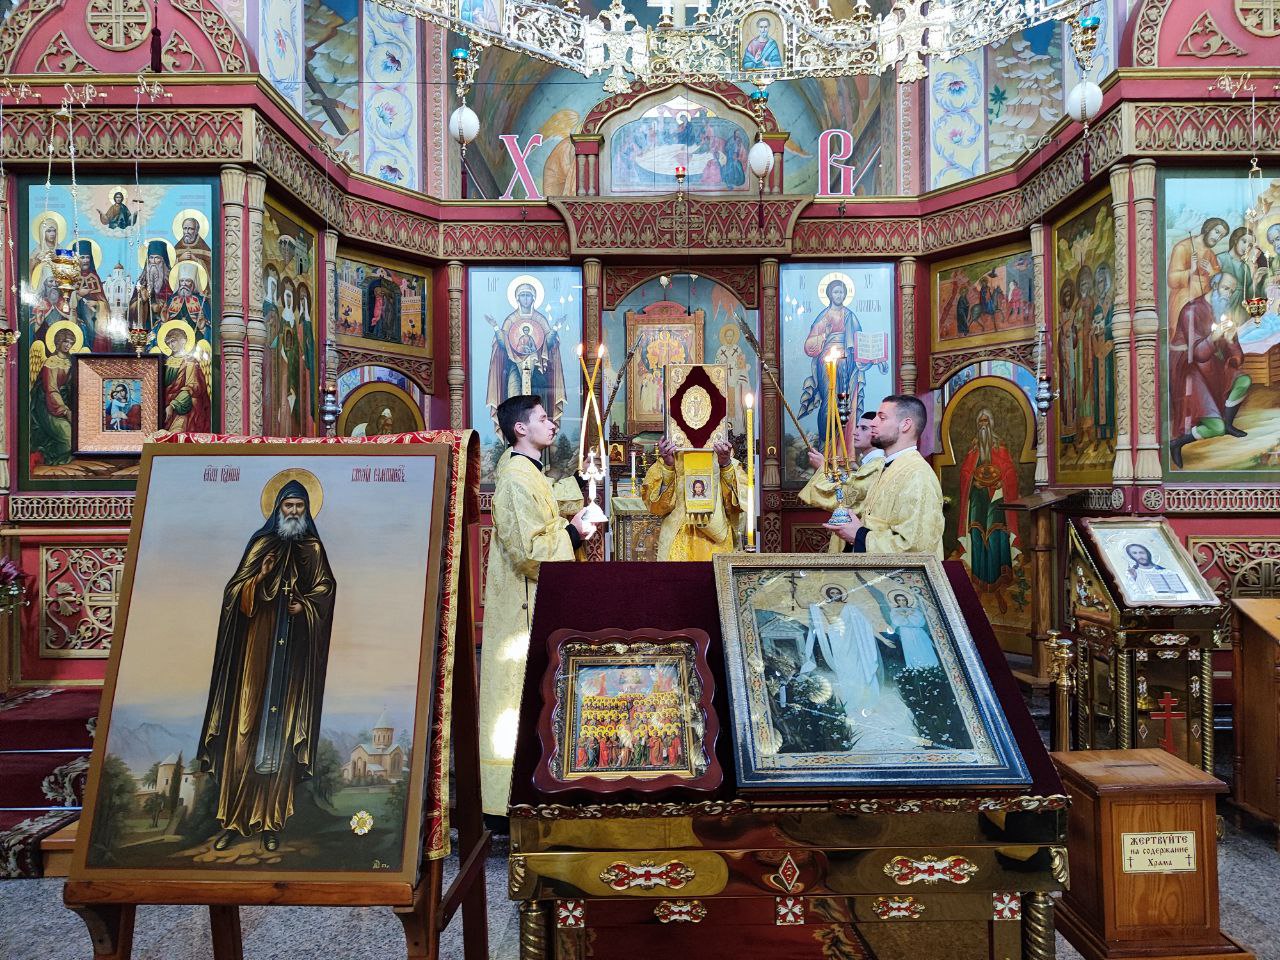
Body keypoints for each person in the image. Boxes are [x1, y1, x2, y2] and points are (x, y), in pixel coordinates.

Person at [197, 478, 337, 852]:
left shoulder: (312, 549)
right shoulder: (261, 545)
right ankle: (234, 820)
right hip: (253, 655)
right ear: (277, 508)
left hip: (291, 659)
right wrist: (259, 578)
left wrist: (304, 606)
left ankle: (271, 823)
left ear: (307, 510)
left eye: (299, 506)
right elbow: (233, 594)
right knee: (244, 731)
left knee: (282, 734)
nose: (294, 512)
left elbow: (325, 591)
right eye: (288, 505)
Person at [479, 395, 596, 819]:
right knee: (517, 696)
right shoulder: (514, 479)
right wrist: (574, 534)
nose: (552, 424)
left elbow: (545, 510)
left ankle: (538, 789)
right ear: (520, 429)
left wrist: (577, 493)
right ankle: (505, 801)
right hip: (521, 607)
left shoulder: (528, 471)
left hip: (535, 600)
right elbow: (529, 551)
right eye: (543, 419)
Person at [822, 395, 944, 558]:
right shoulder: (888, 467)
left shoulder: (917, 475)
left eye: (882, 418)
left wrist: (858, 535)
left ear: (905, 425)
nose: (873, 423)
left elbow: (915, 548)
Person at [1169, 271, 1252, 468]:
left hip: (1211, 367)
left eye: (1231, 291)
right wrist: (1214, 337)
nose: (1228, 295)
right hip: (1189, 370)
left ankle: (1228, 424)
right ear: (1214, 286)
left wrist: (1231, 341)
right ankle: (1177, 443)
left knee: (1244, 380)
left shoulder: (1221, 310)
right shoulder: (1191, 311)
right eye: (1225, 288)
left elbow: (1236, 357)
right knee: (1215, 428)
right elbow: (1197, 353)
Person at [640, 435, 748, 561]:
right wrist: (669, 466)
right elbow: (656, 507)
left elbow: (739, 504)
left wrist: (725, 465)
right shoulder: (670, 458)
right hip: (678, 537)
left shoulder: (726, 460)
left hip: (717, 537)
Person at [956, 408, 1020, 610]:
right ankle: (979, 584)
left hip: (997, 499)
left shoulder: (1000, 448)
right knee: (976, 536)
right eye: (980, 422)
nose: (983, 426)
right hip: (977, 498)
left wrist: (1002, 482)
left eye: (986, 421)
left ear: (991, 424)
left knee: (995, 537)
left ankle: (998, 587)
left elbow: (1010, 472)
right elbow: (965, 473)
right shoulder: (974, 450)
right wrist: (972, 482)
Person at [798, 410, 884, 552]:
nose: (855, 432)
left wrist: (822, 468)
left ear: (877, 432)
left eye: (863, 428)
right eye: (857, 427)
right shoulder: (868, 464)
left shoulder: (876, 466)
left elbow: (843, 499)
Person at [1168, 216, 1228, 326]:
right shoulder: (1182, 247)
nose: (1217, 238)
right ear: (1207, 228)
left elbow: (1219, 281)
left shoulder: (1210, 254)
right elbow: (1172, 280)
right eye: (1217, 232)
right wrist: (1191, 271)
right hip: (1185, 301)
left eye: (1221, 236)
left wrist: (1212, 272)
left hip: (1204, 304)